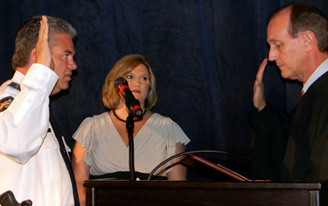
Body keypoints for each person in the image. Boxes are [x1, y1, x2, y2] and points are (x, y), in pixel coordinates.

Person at [248, 3, 328, 204]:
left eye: (277, 44)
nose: (271, 56)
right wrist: (262, 109)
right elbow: (287, 157)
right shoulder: (318, 95)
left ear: (308, 40)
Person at [71, 54, 190, 205]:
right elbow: (80, 188)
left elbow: (178, 192)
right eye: (130, 76)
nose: (137, 83)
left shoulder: (168, 128)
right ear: (116, 83)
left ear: (150, 86)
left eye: (144, 78)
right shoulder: (91, 128)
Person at [0, 16, 79, 206]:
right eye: (65, 55)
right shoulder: (9, 98)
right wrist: (42, 73)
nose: (73, 65)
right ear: (38, 57)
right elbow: (17, 143)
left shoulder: (35, 104)